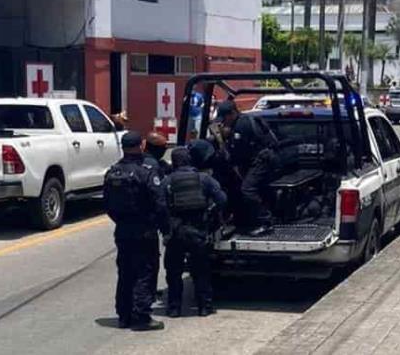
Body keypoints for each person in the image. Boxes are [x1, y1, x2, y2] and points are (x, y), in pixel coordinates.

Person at [103, 131, 170, 330]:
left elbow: (107, 204)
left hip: (122, 229)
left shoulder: (113, 171)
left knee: (125, 272)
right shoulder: (146, 170)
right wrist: (165, 228)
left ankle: (124, 315)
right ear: (141, 145)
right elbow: (159, 202)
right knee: (145, 272)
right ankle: (141, 316)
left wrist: (121, 221)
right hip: (144, 229)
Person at [161, 146, 228, 317]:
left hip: (175, 233)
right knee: (201, 271)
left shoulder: (167, 181)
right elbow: (222, 199)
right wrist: (212, 215)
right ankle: (204, 307)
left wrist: (165, 226)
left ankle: (174, 308)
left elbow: (158, 206)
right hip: (197, 231)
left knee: (174, 272)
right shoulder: (204, 179)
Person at [216, 99, 279, 234]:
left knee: (248, 190)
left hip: (262, 160)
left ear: (232, 113)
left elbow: (238, 152)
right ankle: (244, 219)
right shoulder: (242, 122)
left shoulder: (241, 125)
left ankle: (265, 222)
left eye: (225, 118)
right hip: (257, 160)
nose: (223, 122)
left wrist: (226, 142)